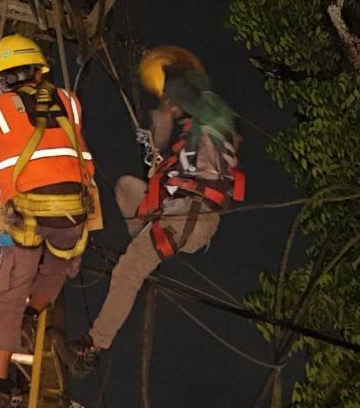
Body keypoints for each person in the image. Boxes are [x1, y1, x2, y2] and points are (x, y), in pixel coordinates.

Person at [52, 46, 244, 375]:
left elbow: (177, 89)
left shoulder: (212, 109)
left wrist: (165, 66)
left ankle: (91, 348)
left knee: (128, 272)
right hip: (177, 209)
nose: (171, 104)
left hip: (189, 217)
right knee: (127, 187)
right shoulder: (197, 133)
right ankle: (142, 245)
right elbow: (167, 146)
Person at [0, 35, 94, 408]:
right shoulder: (70, 101)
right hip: (73, 213)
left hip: (28, 214)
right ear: (38, 70)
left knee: (9, 293)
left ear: (0, 79)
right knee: (59, 264)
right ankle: (34, 313)